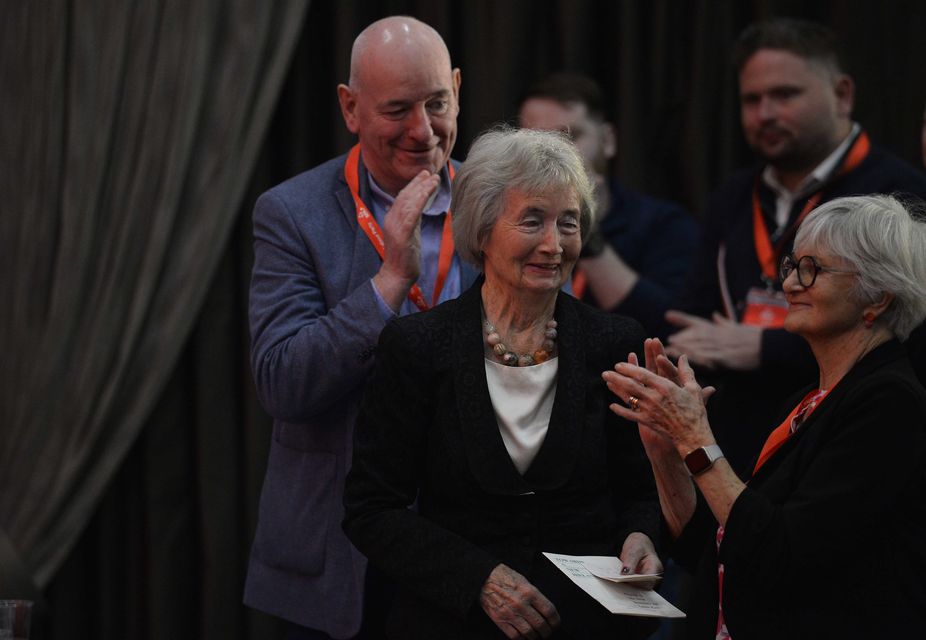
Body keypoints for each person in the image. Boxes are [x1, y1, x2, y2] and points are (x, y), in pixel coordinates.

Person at [343, 127, 662, 639]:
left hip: (586, 627)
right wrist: (479, 580)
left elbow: (641, 491)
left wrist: (641, 534)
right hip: (455, 621)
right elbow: (371, 510)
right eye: (532, 221)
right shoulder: (417, 346)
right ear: (483, 230)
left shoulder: (614, 340)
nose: (555, 245)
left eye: (569, 223)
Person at [244, 16, 477, 639]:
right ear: (350, 108)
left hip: (471, 552)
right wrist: (389, 282)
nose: (423, 131)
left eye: (438, 103)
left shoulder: (502, 207)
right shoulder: (292, 213)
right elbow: (282, 383)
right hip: (340, 555)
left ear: (458, 87)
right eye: (397, 109)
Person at [604, 194, 926, 638]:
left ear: (877, 298)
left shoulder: (891, 402)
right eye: (792, 266)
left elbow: (782, 554)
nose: (791, 284)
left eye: (813, 269)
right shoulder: (810, 399)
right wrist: (665, 448)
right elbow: (714, 544)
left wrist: (694, 435)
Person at [663, 18, 926, 477]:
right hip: (732, 443)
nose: (765, 113)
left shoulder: (900, 194)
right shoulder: (732, 196)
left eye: (784, 95)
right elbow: (690, 322)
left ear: (842, 94)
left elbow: (907, 333)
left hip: (847, 443)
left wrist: (763, 346)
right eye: (752, 99)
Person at [518, 73, 697, 334]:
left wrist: (587, 231)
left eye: (571, 136)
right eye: (536, 140)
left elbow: (669, 329)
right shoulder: (507, 224)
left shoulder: (663, 224)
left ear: (608, 140)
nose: (554, 154)